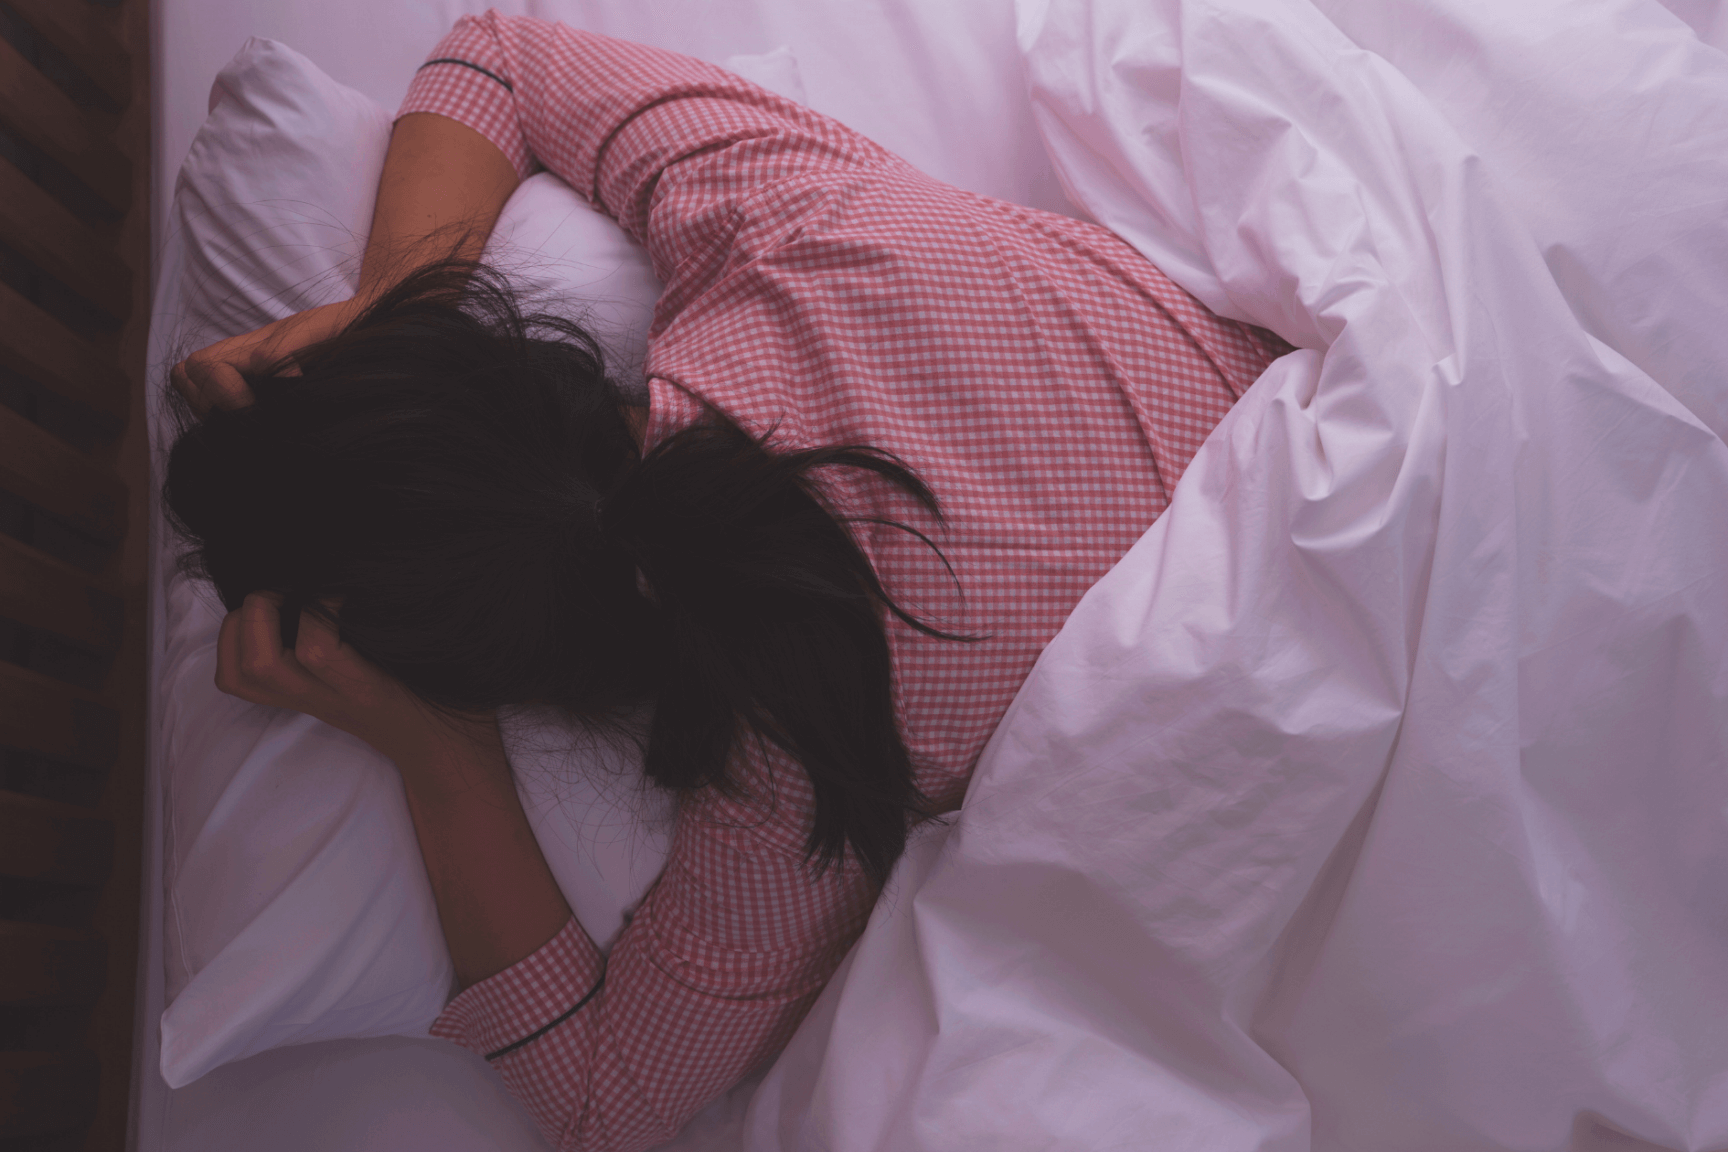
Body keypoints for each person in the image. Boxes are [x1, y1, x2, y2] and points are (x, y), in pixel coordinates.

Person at [165, 11, 1287, 1152]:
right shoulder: (785, 230)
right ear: (506, 367)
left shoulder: (797, 761)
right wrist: (390, 318)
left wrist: (437, 747)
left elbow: (607, 1105)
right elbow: (500, 51)